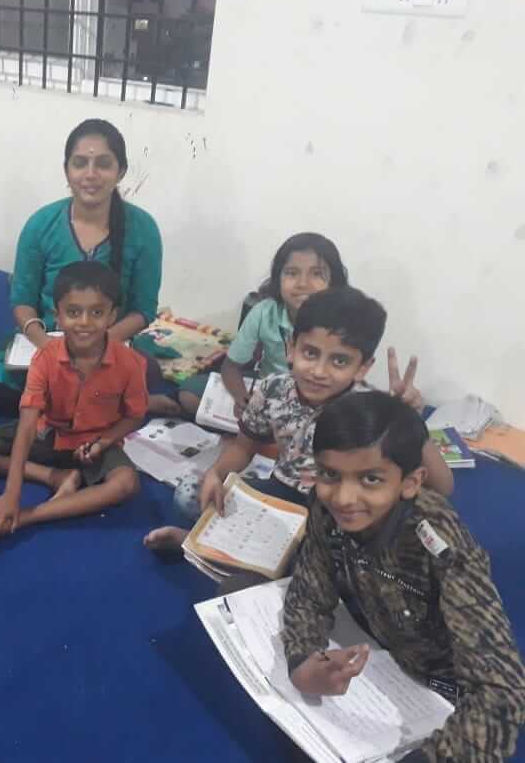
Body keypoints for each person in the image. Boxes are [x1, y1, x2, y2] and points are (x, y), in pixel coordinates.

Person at [283, 391, 525, 762]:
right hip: (373, 644)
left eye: (370, 479)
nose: (344, 498)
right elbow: (309, 588)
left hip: (438, 680)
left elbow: (501, 691)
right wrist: (302, 660)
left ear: (410, 483)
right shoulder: (326, 508)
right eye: (330, 474)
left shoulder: (440, 542)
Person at [144, 286, 454, 554]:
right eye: (310, 353)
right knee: (190, 492)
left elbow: (442, 487)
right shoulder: (273, 389)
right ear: (291, 348)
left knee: (356, 542)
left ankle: (214, 546)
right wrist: (216, 473)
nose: (319, 371)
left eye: (339, 361)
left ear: (362, 367)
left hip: (336, 508)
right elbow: (243, 447)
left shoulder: (368, 410)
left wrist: (410, 419)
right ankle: (215, 544)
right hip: (279, 493)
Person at [0, 118, 180, 416]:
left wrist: (98, 344)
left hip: (109, 344)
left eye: (103, 164)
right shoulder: (41, 224)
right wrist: (48, 347)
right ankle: (104, 404)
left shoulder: (143, 229)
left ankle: (73, 403)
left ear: (121, 171)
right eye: (80, 163)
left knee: (143, 373)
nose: (90, 174)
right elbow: (22, 301)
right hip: (48, 341)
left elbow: (143, 310)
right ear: (67, 170)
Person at [0, 262, 146, 545]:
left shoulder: (131, 363)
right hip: (48, 433)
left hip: (94, 442)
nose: (84, 322)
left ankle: (29, 517)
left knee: (126, 483)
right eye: (73, 312)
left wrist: (104, 442)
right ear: (57, 315)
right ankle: (55, 476)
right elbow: (27, 426)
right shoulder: (45, 358)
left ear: (112, 316)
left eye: (96, 312)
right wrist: (12, 493)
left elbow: (135, 416)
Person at [220, 232, 348, 417]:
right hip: (269, 393)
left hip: (319, 400)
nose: (302, 284)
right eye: (292, 273)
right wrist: (242, 399)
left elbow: (344, 384)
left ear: (334, 282)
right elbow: (230, 366)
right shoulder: (264, 313)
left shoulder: (343, 324)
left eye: (317, 274)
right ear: (278, 277)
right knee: (189, 394)